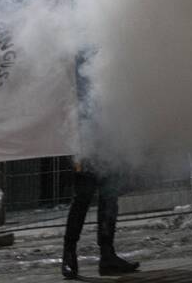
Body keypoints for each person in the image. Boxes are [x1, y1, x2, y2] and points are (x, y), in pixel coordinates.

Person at [60, 54, 138, 279]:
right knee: (82, 197)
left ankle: (108, 255)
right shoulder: (76, 53)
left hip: (110, 133)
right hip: (85, 137)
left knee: (110, 196)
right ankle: (69, 255)